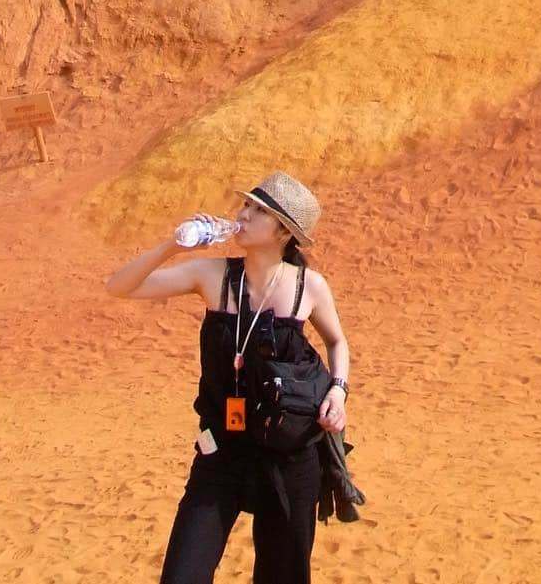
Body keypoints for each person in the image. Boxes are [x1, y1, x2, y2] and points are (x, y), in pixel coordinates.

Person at [105, 171, 355, 584]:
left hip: (289, 452)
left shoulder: (308, 287)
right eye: (247, 205)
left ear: (283, 233)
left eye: (259, 211)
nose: (244, 214)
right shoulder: (212, 276)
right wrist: (173, 244)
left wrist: (339, 391)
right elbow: (120, 287)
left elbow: (337, 342)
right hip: (221, 449)